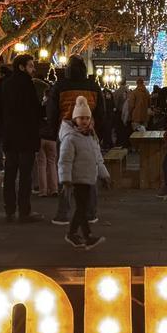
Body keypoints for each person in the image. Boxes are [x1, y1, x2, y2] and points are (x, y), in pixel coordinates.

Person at [46, 56, 107, 225]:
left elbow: (51, 112)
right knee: (90, 172)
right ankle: (91, 212)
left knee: (65, 170)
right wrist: (98, 133)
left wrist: (54, 132)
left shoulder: (60, 86)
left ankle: (63, 212)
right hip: (89, 132)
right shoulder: (93, 87)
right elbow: (101, 113)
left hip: (65, 133)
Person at [0, 54, 44, 222]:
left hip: (9, 136)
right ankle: (24, 210)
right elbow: (35, 111)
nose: (33, 69)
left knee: (10, 174)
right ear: (22, 67)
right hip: (26, 137)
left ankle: (9, 209)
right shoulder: (28, 85)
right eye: (31, 66)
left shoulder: (4, 85)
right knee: (25, 175)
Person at [58, 96, 108, 249]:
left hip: (89, 178)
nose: (85, 121)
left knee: (82, 207)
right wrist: (65, 179)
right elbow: (65, 160)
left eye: (87, 117)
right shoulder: (71, 138)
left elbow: (98, 158)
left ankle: (72, 234)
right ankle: (88, 236)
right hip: (77, 178)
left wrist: (104, 174)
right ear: (75, 119)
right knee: (82, 207)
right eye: (81, 118)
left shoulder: (91, 136)